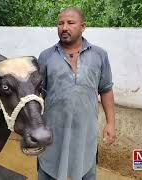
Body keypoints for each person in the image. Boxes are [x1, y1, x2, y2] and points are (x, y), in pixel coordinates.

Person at [37, 7, 116, 180]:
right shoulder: (45, 57)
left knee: (85, 170)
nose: (64, 27)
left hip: (85, 132)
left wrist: (111, 123)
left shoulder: (99, 55)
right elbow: (38, 95)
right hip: (53, 132)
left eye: (70, 23)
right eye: (60, 23)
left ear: (83, 26)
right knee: (48, 169)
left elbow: (106, 89)